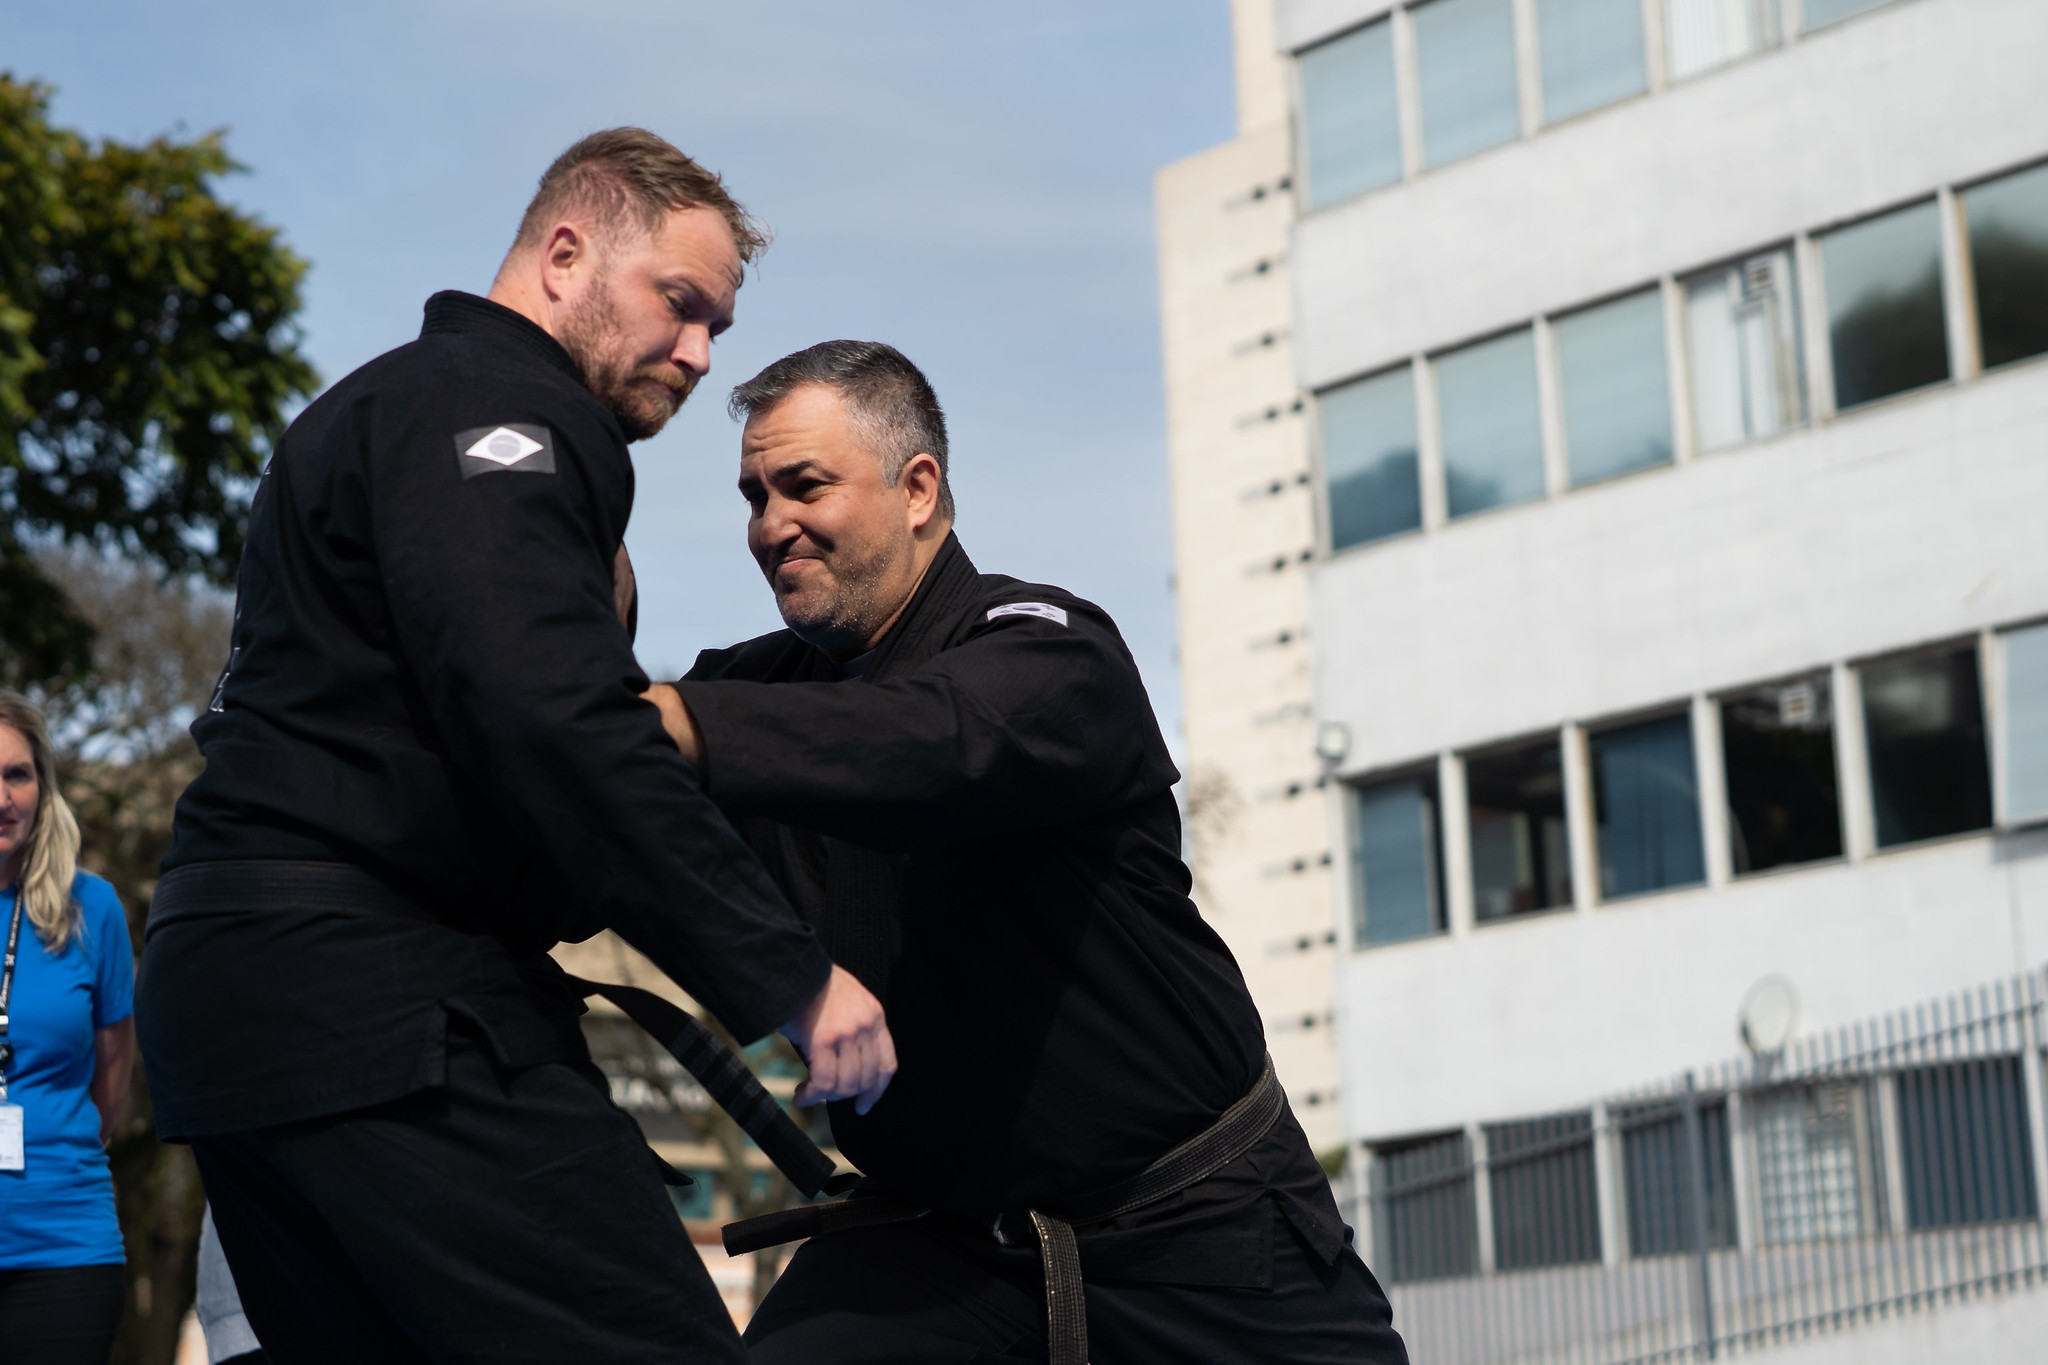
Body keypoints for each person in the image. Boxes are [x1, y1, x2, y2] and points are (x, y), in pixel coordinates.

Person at [134, 131, 895, 1365]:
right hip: (385, 1004)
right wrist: (788, 978)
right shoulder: (496, 407)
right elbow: (552, 719)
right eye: (678, 303)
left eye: (716, 326)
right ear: (564, 254)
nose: (699, 353)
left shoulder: (371, 409)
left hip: (238, 1000)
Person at [642, 341, 1408, 1364]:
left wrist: (683, 728)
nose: (771, 523)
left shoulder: (1050, 651)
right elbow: (595, 796)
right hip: (941, 1253)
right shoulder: (750, 692)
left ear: (918, 489)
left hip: (1201, 1236)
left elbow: (933, 742)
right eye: (755, 495)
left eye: (805, 486)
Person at [0, 690, 136, 1365]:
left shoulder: (93, 907)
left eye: (17, 774)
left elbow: (110, 1092)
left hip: (64, 1253)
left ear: (43, 787)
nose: (1, 797)